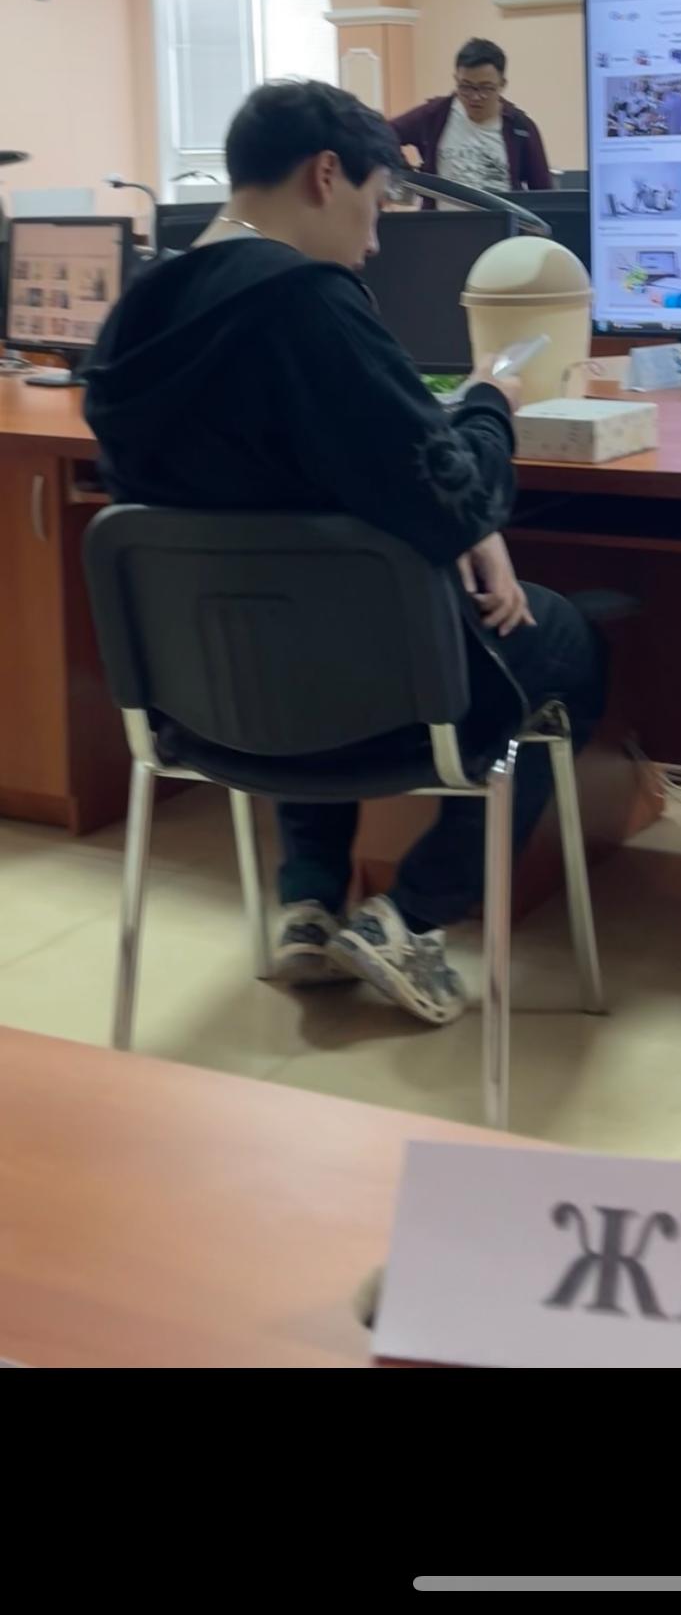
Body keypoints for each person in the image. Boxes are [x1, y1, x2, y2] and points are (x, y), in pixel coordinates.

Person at [85, 80, 603, 1028]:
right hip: (375, 701)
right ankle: (409, 916)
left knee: (289, 607)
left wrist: (458, 519)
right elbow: (454, 491)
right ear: (326, 175)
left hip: (207, 703)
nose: (374, 241)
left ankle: (310, 905)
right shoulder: (307, 304)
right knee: (566, 640)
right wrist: (490, 401)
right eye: (375, 203)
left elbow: (279, 498)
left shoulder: (133, 315)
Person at [390, 38, 552, 195]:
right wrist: (406, 174)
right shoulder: (434, 115)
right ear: (456, 79)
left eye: (486, 88)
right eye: (466, 87)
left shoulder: (520, 128)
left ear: (502, 84)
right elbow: (385, 133)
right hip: (443, 214)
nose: (475, 97)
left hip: (500, 214)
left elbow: (544, 192)